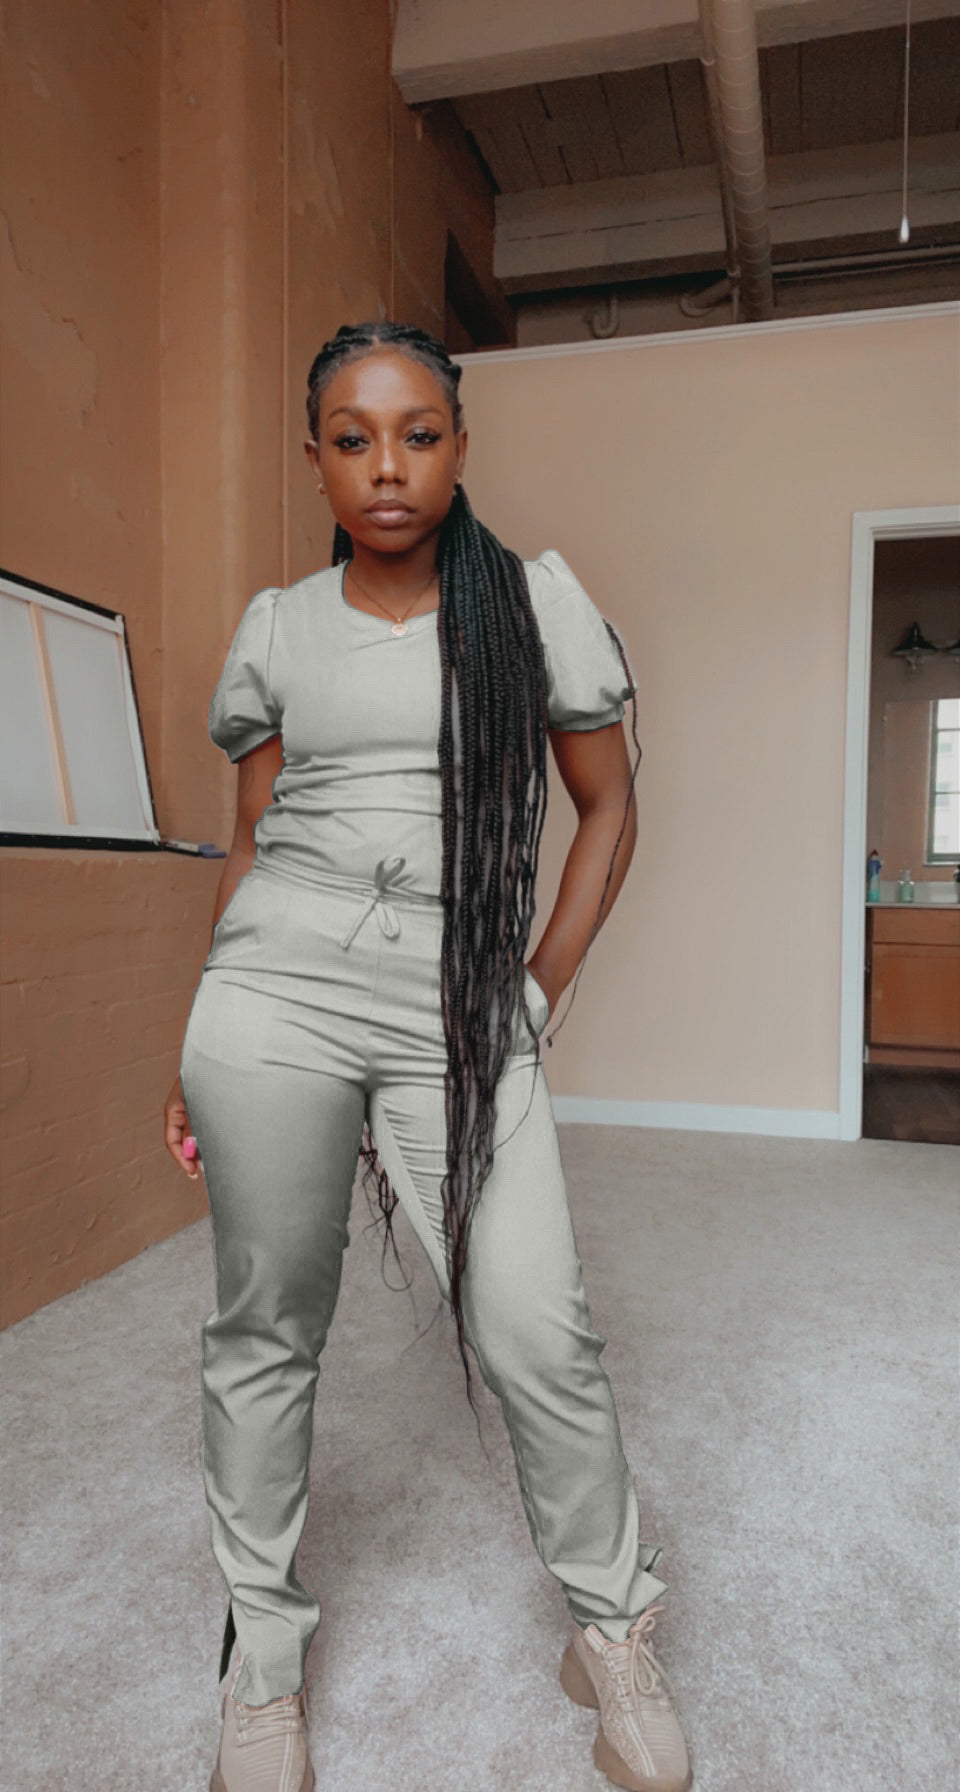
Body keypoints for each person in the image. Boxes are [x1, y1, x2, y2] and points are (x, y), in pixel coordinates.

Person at [163, 320, 693, 1792]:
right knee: (265, 1330)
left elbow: (609, 808)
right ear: (317, 457)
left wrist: (534, 991)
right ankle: (262, 1666)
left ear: (461, 447)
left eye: (417, 435)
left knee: (539, 1330)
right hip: (270, 999)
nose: (386, 467)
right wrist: (192, 1037)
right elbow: (254, 838)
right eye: (353, 438)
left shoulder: (530, 609)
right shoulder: (279, 626)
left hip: (458, 1010)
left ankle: (613, 1626)